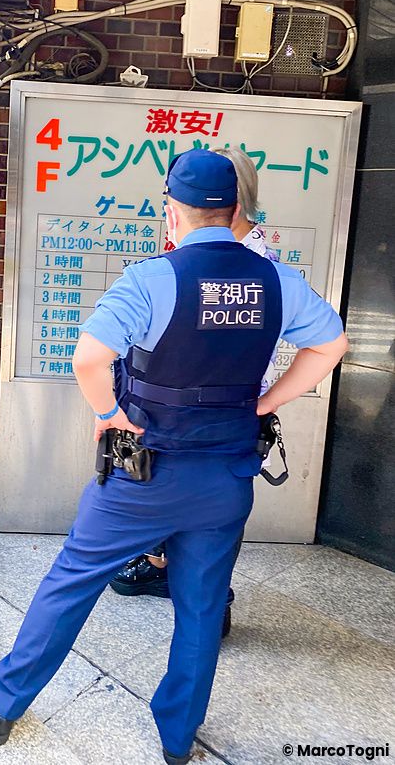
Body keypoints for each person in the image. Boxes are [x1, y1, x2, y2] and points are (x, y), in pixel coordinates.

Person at [0, 149, 347, 763]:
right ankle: (177, 739)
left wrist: (109, 414)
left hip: (141, 477)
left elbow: (89, 359)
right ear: (236, 212)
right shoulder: (276, 280)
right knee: (201, 605)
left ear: (170, 211)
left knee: (73, 582)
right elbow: (331, 345)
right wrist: (264, 403)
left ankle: (4, 703)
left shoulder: (151, 278)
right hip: (227, 477)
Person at [109, 147, 279, 638]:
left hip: (216, 408)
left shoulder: (248, 261)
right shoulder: (233, 251)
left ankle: (212, 598)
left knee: (210, 503)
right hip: (195, 406)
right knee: (184, 487)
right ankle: (165, 568)